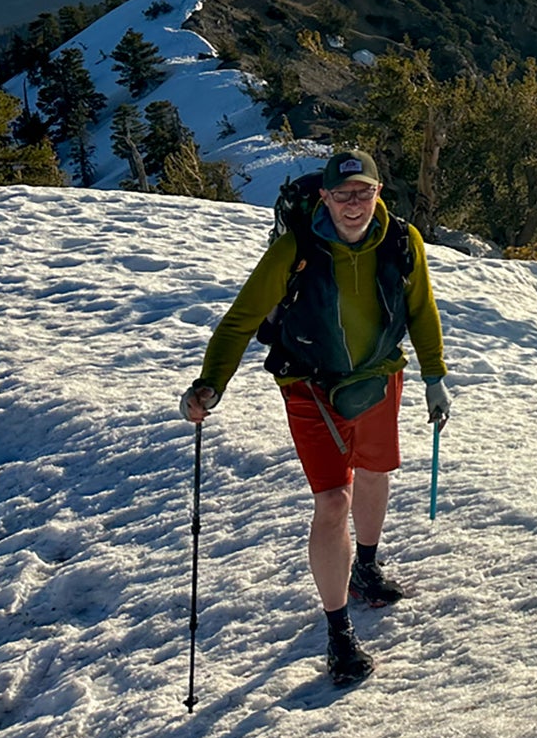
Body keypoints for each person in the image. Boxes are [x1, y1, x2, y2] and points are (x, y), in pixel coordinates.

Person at [180, 148, 451, 686]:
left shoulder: (402, 241)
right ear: (324, 197)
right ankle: (338, 632)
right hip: (308, 385)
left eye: (365, 193)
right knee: (332, 500)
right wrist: (211, 383)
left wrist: (434, 375)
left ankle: (366, 568)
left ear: (379, 193)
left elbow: (421, 308)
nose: (355, 205)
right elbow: (240, 321)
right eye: (343, 195)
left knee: (376, 473)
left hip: (377, 375)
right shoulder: (294, 249)